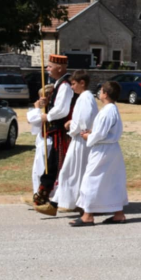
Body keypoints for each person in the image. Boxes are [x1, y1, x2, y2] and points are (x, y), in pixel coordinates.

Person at [71, 81, 128, 226]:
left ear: (106, 94)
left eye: (101, 90)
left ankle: (88, 215)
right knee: (112, 181)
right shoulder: (111, 109)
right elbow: (103, 131)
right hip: (111, 149)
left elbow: (100, 134)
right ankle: (118, 214)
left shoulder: (107, 111)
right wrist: (93, 132)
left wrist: (88, 137)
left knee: (91, 180)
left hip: (103, 150)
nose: (99, 93)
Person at [42, 70, 98, 216]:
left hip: (81, 140)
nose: (72, 87)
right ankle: (57, 203)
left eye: (73, 84)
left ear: (82, 83)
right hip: (79, 139)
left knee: (72, 172)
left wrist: (71, 125)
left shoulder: (86, 98)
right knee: (69, 172)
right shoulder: (84, 98)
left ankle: (64, 204)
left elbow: (84, 121)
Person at [33, 55, 74, 210]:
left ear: (60, 68)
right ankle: (42, 196)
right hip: (56, 132)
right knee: (52, 164)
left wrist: (47, 116)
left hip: (61, 132)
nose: (47, 69)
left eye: (50, 66)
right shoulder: (58, 84)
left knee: (57, 164)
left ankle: (49, 198)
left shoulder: (65, 85)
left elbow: (62, 109)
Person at [26, 85, 54, 201]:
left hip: (48, 142)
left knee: (42, 170)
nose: (39, 100)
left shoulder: (51, 111)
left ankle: (43, 195)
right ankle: (37, 193)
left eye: (41, 97)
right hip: (42, 142)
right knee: (36, 170)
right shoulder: (45, 110)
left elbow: (32, 119)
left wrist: (37, 108)